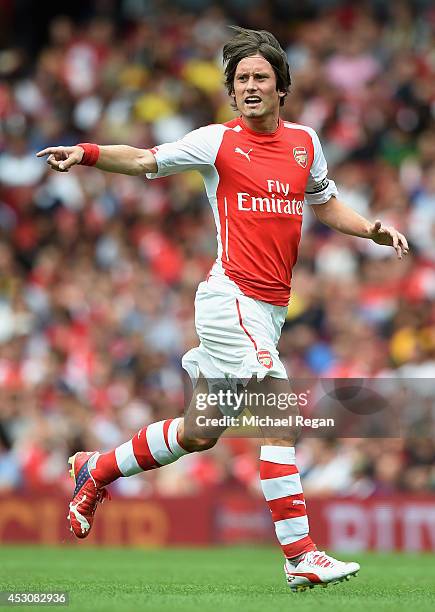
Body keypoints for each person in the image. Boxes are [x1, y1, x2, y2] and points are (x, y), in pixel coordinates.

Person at [37, 27, 408, 592]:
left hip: (269, 312)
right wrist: (85, 153)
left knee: (202, 431)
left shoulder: (306, 142)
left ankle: (98, 468)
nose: (251, 86)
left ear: (281, 88)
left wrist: (372, 231)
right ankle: (300, 552)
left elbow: (327, 205)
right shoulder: (216, 142)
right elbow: (142, 160)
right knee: (279, 408)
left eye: (261, 77)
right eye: (241, 80)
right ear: (232, 93)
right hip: (230, 297)